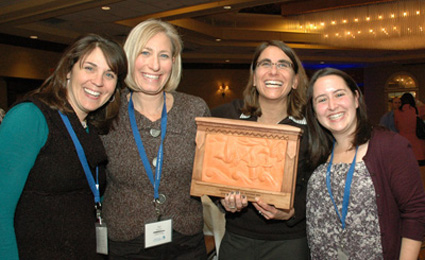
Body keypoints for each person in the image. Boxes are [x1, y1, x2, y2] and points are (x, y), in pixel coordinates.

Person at [0, 34, 127, 259]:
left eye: (109, 74)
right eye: (89, 68)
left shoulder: (90, 128)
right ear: (68, 70)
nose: (98, 81)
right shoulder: (30, 117)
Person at [101, 19, 210, 259]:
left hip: (186, 241)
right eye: (145, 53)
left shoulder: (194, 109)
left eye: (164, 55)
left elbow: (213, 172)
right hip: (125, 243)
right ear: (129, 57)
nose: (154, 65)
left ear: (173, 62)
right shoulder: (107, 111)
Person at [305, 68, 425, 259]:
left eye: (339, 94)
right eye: (321, 99)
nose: (332, 105)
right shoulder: (316, 153)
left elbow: (416, 212)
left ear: (355, 98)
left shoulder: (389, 146)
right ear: (313, 109)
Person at [211, 40, 312, 260]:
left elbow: (322, 184)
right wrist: (221, 199)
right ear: (255, 76)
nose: (273, 71)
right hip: (238, 239)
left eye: (283, 65)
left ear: (295, 80)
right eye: (265, 64)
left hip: (290, 243)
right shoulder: (226, 116)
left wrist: (295, 210)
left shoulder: (313, 128)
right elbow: (208, 167)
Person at [395, 92, 425, 166]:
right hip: (418, 144)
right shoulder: (417, 110)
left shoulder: (397, 112)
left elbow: (397, 126)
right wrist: (417, 101)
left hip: (403, 143)